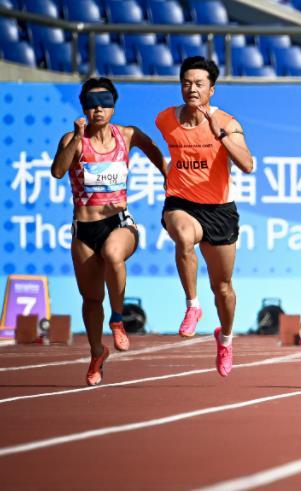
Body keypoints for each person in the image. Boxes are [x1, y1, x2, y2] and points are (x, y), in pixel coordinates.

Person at [50, 77, 167, 386]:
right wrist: (76, 138)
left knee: (114, 255)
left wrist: (167, 175)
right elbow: (58, 171)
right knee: (91, 300)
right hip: (84, 230)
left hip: (119, 223)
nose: (98, 109)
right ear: (84, 108)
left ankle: (117, 319)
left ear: (114, 106)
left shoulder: (126, 135)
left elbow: (152, 148)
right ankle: (96, 352)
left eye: (104, 102)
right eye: (92, 103)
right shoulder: (73, 139)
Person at [156, 56, 254, 377]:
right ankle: (192, 306)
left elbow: (247, 164)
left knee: (223, 288)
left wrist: (220, 135)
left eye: (199, 84)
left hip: (219, 211)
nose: (192, 89)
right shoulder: (165, 119)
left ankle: (225, 339)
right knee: (183, 237)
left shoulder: (227, 122)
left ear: (212, 89)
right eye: (186, 83)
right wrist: (165, 171)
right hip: (181, 202)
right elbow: (152, 145)